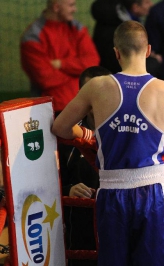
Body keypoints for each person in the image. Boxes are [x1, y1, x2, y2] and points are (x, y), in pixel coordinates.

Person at [52, 21, 164, 265]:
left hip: (110, 193)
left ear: (116, 52)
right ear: (149, 50)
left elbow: (60, 128)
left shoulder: (96, 87)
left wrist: (91, 136)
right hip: (152, 191)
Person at [59, 66, 111, 266]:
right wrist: (68, 190)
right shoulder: (66, 135)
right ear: (81, 94)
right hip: (80, 228)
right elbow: (48, 183)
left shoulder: (128, 129)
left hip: (118, 218)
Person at [20, 0, 100, 115]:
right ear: (56, 7)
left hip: (84, 105)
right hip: (51, 109)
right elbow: (45, 78)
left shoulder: (77, 28)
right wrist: (76, 74)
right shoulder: (33, 37)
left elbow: (92, 61)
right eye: (71, 5)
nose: (75, 9)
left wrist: (61, 64)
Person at [91, 0, 155, 74]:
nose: (151, 5)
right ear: (135, 7)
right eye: (147, 2)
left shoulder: (122, 21)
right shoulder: (119, 29)